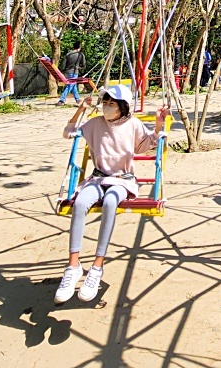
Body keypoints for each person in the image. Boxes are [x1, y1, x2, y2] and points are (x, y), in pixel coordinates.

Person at [56, 85, 167, 304]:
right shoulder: (95, 123)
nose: (106, 107)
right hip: (97, 177)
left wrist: (158, 124)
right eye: (105, 103)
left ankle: (97, 266)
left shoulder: (132, 124)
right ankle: (73, 266)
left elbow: (147, 145)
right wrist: (81, 109)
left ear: (123, 107)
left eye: (111, 104)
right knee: (79, 204)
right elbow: (68, 133)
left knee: (110, 202)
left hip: (122, 180)